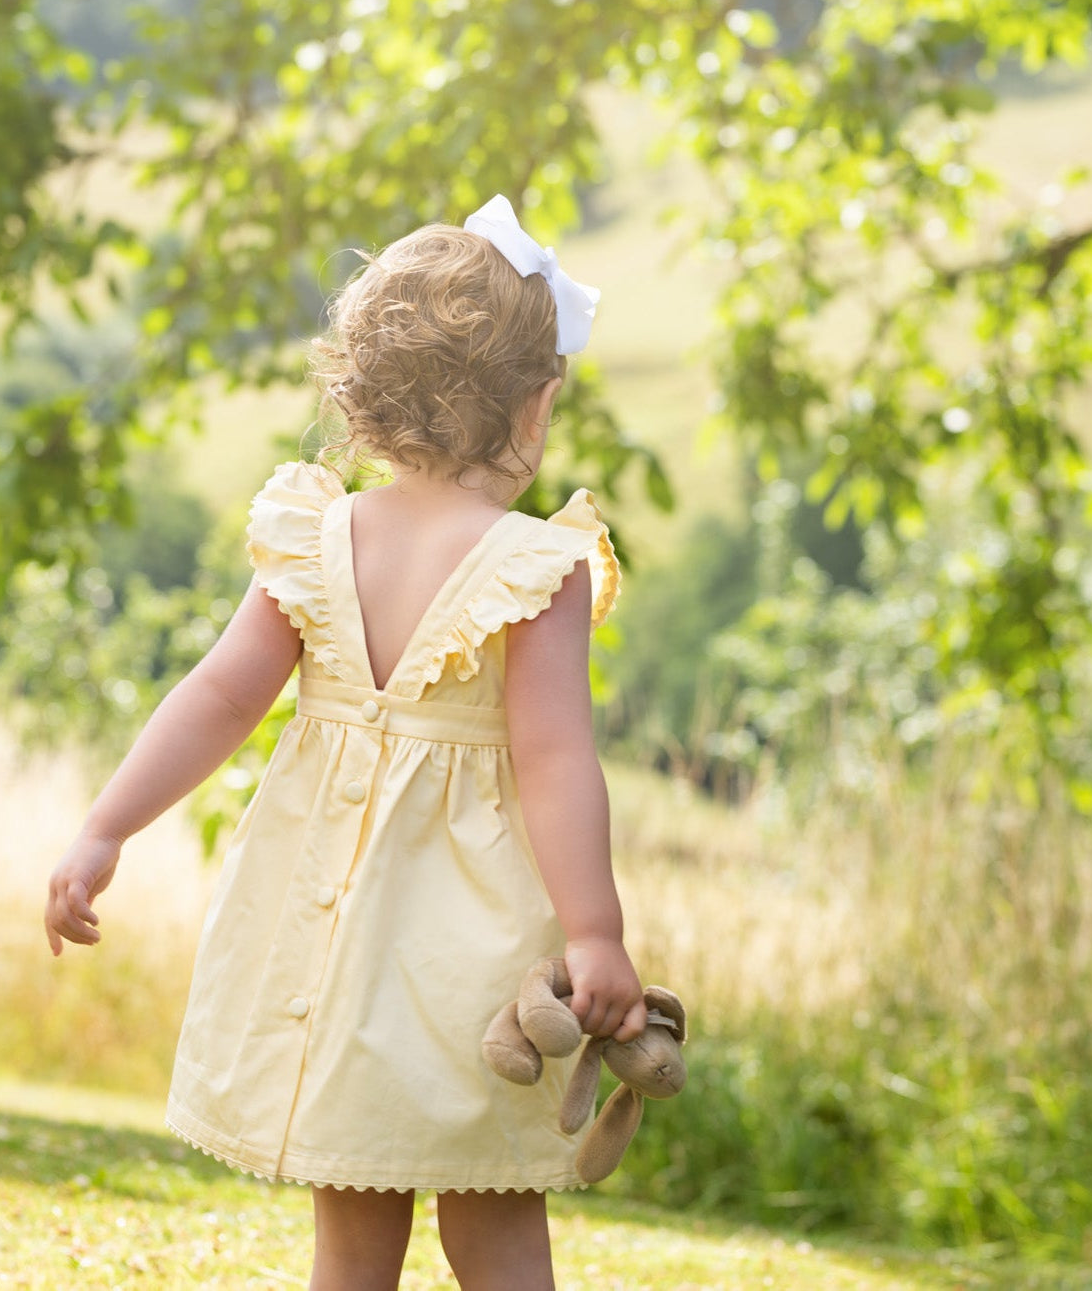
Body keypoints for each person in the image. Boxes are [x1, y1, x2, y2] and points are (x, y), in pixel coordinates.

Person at [44, 194, 647, 1291]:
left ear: (364, 393)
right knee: (495, 1214)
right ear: (535, 403)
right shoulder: (537, 564)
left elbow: (218, 695)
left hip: (329, 929)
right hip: (464, 942)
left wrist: (106, 826)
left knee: (355, 1229)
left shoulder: (318, 533)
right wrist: (593, 931)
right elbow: (557, 758)